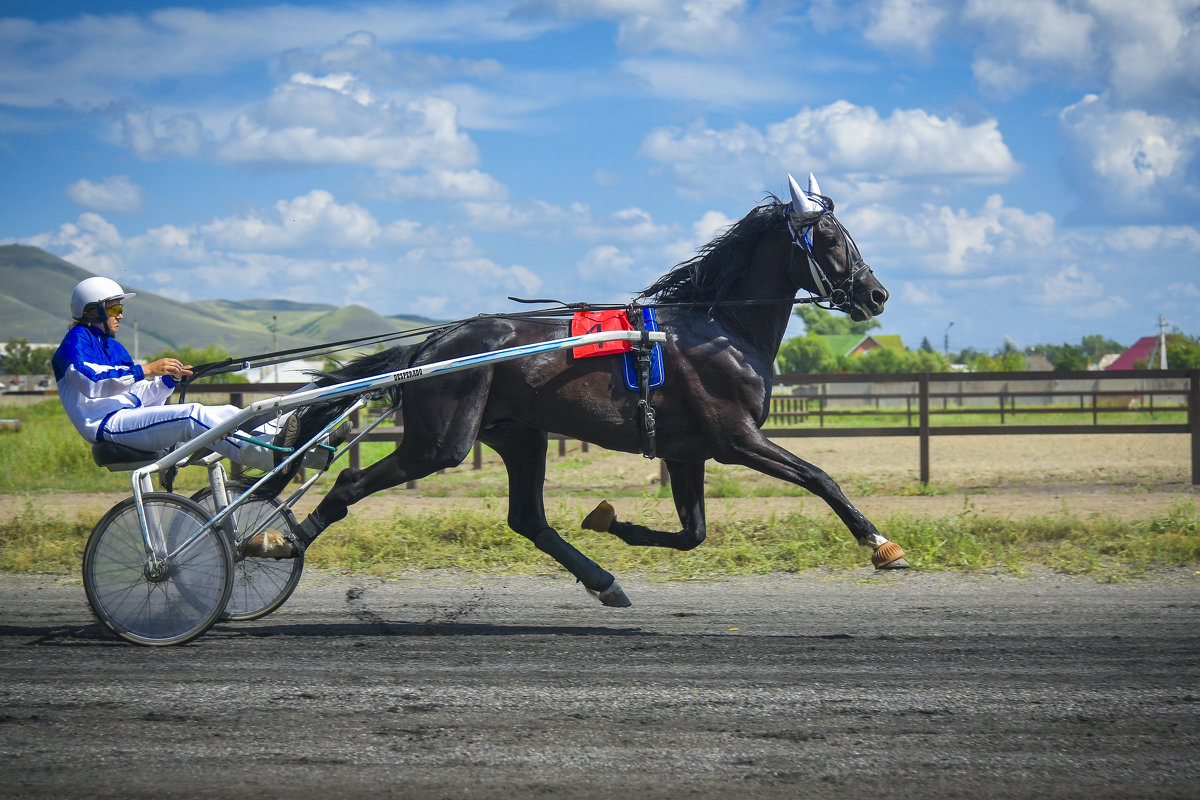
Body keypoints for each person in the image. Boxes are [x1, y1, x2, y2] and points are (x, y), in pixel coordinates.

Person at [52, 276, 300, 473]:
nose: (121, 315)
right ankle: (265, 456)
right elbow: (90, 381)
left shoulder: (112, 346)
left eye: (121, 308)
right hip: (104, 424)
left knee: (228, 412)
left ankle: (292, 439)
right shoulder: (76, 340)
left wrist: (167, 381)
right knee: (192, 415)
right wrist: (147, 369)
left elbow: (136, 394)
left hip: (127, 417)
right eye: (115, 308)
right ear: (94, 311)